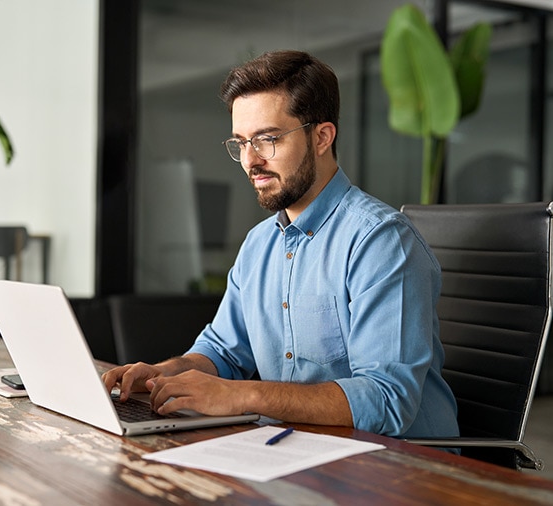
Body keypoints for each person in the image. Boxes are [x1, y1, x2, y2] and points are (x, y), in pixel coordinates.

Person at [103, 50, 459, 439]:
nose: (250, 161)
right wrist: (164, 373)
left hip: (399, 467)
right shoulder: (259, 245)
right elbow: (223, 351)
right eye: (241, 143)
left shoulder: (380, 241)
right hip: (294, 448)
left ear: (322, 137)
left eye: (267, 139)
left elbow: (387, 400)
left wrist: (242, 396)